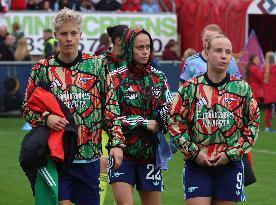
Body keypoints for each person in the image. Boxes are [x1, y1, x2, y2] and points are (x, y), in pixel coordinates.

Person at [22, 8, 125, 205]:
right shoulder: (42, 69)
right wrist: (46, 118)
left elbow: (111, 108)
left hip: (90, 159)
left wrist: (117, 143)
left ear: (80, 34)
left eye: (73, 33)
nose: (69, 38)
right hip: (56, 158)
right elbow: (27, 108)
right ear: (55, 36)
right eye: (63, 33)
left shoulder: (97, 66)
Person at [168, 34, 260, 205]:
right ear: (206, 54)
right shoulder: (191, 88)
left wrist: (231, 153)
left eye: (228, 52)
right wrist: (193, 152)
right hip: (197, 164)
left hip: (230, 165)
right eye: (218, 51)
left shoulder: (241, 88)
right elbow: (174, 121)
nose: (224, 55)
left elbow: (253, 123)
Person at [109, 27, 173, 205]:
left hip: (150, 155)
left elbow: (169, 110)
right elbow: (109, 118)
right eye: (140, 47)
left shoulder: (159, 77)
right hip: (123, 152)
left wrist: (166, 118)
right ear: (129, 48)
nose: (145, 52)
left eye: (148, 47)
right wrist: (143, 123)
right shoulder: (115, 78)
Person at [97, 24, 128, 205]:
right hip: (104, 125)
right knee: (101, 167)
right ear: (118, 40)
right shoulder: (100, 62)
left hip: (126, 127)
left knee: (122, 173)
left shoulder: (132, 63)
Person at [263, 51, 276, 132]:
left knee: (267, 109)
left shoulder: (264, 68)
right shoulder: (274, 67)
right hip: (274, 91)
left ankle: (267, 127)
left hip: (267, 92)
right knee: (270, 109)